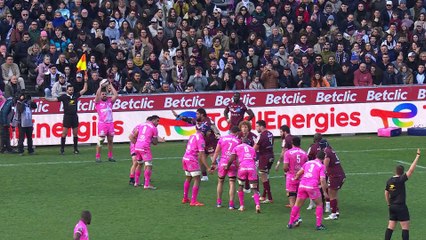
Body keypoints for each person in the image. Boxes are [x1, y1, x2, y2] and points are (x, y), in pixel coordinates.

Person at [172, 108, 221, 181]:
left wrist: (219, 141)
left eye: (197, 114)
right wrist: (178, 116)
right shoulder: (197, 121)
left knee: (214, 161)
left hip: (211, 143)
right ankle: (205, 176)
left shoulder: (208, 122)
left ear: (202, 114)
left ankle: (222, 172)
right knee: (201, 158)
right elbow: (188, 119)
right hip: (202, 143)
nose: (196, 115)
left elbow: (216, 131)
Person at [45, 75, 88, 155]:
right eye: (69, 90)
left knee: (75, 133)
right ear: (67, 90)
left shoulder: (75, 95)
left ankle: (75, 149)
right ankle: (62, 149)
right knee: (64, 133)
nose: (71, 91)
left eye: (72, 90)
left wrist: (85, 81)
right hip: (67, 116)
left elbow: (84, 89)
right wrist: (46, 99)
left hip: (74, 116)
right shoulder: (64, 97)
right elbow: (54, 100)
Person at [384, 149, 420, 240]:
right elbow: (411, 170)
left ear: (395, 171)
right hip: (401, 206)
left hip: (392, 207)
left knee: (391, 226)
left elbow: (386, 192)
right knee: (405, 227)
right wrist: (417, 156)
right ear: (402, 172)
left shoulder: (389, 181)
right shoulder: (401, 180)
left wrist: (388, 203)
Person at [287, 151, 328, 231]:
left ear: (316, 156)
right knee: (319, 204)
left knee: (297, 205)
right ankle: (319, 225)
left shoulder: (308, 163)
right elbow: (322, 179)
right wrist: (325, 192)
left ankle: (290, 223)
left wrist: (296, 178)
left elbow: (299, 173)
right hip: (312, 186)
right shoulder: (321, 166)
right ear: (323, 158)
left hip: (302, 185)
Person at [129, 115, 165, 189]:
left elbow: (132, 136)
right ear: (153, 120)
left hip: (137, 146)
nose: (158, 123)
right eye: (157, 121)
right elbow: (155, 143)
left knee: (139, 164)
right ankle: (147, 184)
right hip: (145, 147)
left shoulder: (140, 125)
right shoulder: (154, 128)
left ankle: (136, 182)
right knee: (149, 165)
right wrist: (154, 140)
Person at [227, 139, 261, 213]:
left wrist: (227, 166)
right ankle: (257, 205)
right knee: (254, 188)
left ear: (242, 142)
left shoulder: (237, 147)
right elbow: (255, 159)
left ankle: (242, 206)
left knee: (240, 186)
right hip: (252, 168)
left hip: (242, 168)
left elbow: (231, 159)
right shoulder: (252, 149)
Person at [211, 126, 241, 209]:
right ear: (237, 133)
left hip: (222, 162)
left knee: (220, 182)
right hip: (232, 163)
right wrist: (239, 166)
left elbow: (216, 152)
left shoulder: (222, 139)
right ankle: (231, 204)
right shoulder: (238, 141)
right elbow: (238, 155)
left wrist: (213, 163)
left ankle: (219, 202)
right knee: (232, 182)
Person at [181, 124, 211, 206]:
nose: (209, 133)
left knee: (188, 178)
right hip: (191, 159)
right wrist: (208, 167)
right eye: (209, 131)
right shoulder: (201, 139)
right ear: (204, 131)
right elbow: (202, 155)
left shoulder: (193, 135)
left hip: (185, 158)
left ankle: (185, 198)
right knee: (197, 179)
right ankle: (193, 201)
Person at [320, 139, 346, 220]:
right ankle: (336, 211)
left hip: (335, 176)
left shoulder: (327, 152)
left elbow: (325, 166)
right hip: (339, 175)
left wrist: (321, 173)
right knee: (334, 194)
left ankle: (333, 214)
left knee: (331, 194)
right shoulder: (330, 149)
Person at [94, 82, 118, 162]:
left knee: (110, 141)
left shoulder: (110, 102)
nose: (104, 95)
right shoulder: (98, 103)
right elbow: (97, 95)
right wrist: (100, 86)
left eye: (105, 94)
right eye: (102, 94)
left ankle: (110, 156)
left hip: (110, 124)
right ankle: (98, 156)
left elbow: (116, 95)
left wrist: (110, 84)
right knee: (100, 141)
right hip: (102, 124)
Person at [283, 136, 308, 208]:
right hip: (301, 177)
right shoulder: (304, 153)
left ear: (292, 143)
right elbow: (306, 166)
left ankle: (295, 216)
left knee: (291, 196)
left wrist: (288, 170)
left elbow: (285, 167)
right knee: (299, 197)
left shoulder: (288, 153)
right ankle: (297, 213)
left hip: (291, 176)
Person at [254, 120, 274, 203]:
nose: (256, 128)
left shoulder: (261, 135)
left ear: (261, 126)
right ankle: (264, 196)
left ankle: (269, 197)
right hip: (271, 156)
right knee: (265, 176)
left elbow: (255, 148)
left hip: (264, 157)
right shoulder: (270, 133)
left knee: (263, 176)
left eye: (257, 126)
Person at [237, 120, 258, 193]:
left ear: (248, 128)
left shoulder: (253, 136)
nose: (244, 129)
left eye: (245, 127)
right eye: (242, 127)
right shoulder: (239, 135)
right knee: (244, 172)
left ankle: (256, 190)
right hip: (242, 158)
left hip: (252, 157)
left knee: (254, 173)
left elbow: (256, 147)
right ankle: (247, 188)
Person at [306, 133, 323, 210]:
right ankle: (323, 203)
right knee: (321, 185)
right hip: (322, 168)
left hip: (313, 168)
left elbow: (307, 156)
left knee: (312, 185)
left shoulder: (312, 146)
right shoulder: (324, 145)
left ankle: (311, 203)